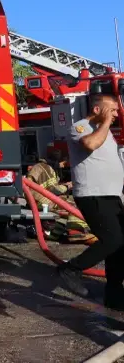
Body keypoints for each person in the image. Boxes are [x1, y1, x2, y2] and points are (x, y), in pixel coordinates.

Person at [56, 93, 124, 308]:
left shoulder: (106, 133)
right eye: (112, 110)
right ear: (97, 110)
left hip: (112, 195)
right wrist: (104, 123)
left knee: (120, 247)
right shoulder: (81, 127)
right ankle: (70, 269)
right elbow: (89, 145)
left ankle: (114, 296)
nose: (116, 114)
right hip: (93, 194)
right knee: (111, 240)